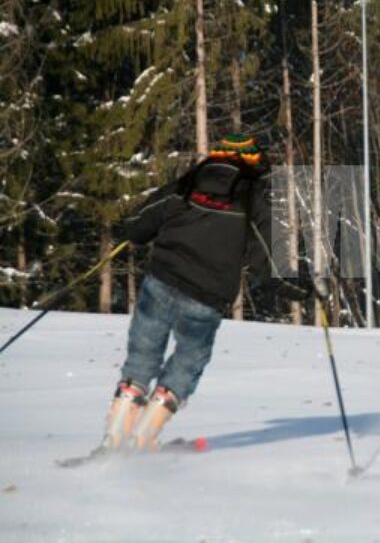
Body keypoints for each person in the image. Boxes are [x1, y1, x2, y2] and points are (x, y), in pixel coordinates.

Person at [102, 134, 311, 450]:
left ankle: (115, 437)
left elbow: (137, 226)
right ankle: (144, 438)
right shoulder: (253, 199)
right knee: (187, 362)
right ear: (253, 165)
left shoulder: (185, 185)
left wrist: (132, 232)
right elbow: (267, 267)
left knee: (143, 356)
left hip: (161, 282)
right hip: (207, 297)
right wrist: (305, 289)